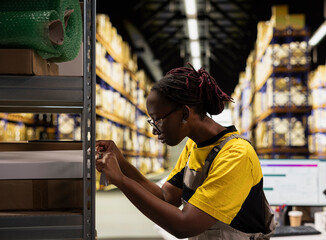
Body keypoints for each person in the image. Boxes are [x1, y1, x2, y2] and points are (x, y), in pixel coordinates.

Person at [96, 63, 275, 239]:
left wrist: (120, 180)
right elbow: (166, 197)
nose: (153, 130)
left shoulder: (236, 155)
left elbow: (185, 225)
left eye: (158, 120)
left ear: (184, 114)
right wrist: (121, 163)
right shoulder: (194, 146)